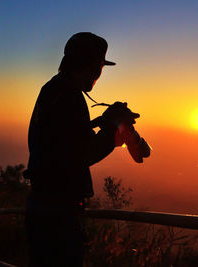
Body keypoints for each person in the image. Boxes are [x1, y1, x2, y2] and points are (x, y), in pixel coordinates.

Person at [24, 32, 125, 267]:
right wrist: (111, 131)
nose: (98, 76)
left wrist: (101, 121)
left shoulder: (51, 89)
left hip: (40, 206)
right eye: (99, 68)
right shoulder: (70, 97)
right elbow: (82, 153)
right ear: (92, 67)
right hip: (59, 212)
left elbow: (61, 137)